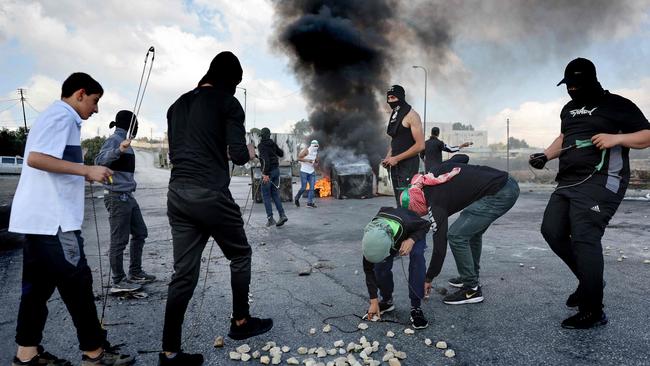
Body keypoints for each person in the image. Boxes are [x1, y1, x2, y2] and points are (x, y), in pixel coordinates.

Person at [9, 73, 134, 365]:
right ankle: (95, 353)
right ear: (79, 94)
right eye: (94, 101)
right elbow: (37, 158)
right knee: (78, 284)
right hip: (55, 222)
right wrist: (86, 170)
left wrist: (82, 172)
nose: (96, 109)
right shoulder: (62, 116)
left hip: (39, 221)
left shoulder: (58, 117)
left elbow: (50, 162)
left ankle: (26, 355)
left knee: (36, 291)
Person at [161, 52, 273, 365]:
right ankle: (240, 322)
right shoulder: (227, 103)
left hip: (177, 194)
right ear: (230, 80)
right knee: (240, 255)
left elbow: (183, 150)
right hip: (210, 194)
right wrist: (247, 150)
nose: (236, 90)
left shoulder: (176, 105)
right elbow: (238, 155)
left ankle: (169, 352)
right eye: (235, 83)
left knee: (183, 274)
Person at [529, 57, 650, 329]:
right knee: (552, 230)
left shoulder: (617, 105)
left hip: (603, 180)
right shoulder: (568, 109)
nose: (571, 89)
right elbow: (564, 139)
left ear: (591, 81)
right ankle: (589, 280)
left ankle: (593, 310)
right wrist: (546, 155)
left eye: (575, 84)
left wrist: (616, 138)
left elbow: (647, 135)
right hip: (568, 181)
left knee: (585, 237)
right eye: (568, 84)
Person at [402, 161, 519, 305]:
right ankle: (471, 277)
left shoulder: (435, 203)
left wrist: (428, 278)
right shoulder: (433, 173)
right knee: (470, 232)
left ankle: (472, 289)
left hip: (499, 193)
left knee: (456, 235)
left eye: (419, 212)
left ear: (419, 204)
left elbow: (440, 247)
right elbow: (462, 156)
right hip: (505, 182)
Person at [95, 110, 155, 295]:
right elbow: (99, 160)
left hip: (128, 196)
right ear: (130, 125)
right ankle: (118, 280)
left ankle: (135, 272)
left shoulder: (126, 142)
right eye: (135, 124)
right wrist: (119, 150)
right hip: (116, 196)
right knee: (119, 240)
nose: (137, 128)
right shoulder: (115, 140)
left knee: (140, 232)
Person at [361, 207, 430, 329]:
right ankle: (386, 301)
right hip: (389, 235)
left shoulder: (409, 222)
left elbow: (425, 225)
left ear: (391, 246)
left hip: (414, 231)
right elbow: (368, 269)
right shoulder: (371, 238)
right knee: (380, 267)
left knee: (417, 258)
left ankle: (416, 307)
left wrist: (411, 239)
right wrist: (373, 301)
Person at [382, 85, 425, 206]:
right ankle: (402, 223)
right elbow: (395, 140)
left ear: (401, 97)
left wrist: (396, 158)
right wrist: (388, 157)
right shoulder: (395, 114)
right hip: (395, 166)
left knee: (407, 202)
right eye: (389, 98)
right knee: (399, 202)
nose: (390, 101)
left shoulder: (412, 115)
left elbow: (420, 145)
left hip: (408, 166)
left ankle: (410, 224)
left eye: (393, 97)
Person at [258, 127, 288, 226]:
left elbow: (266, 160)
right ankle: (282, 215)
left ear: (261, 136)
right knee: (275, 194)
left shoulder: (261, 145)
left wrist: (265, 174)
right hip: (276, 171)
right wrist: (275, 148)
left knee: (266, 195)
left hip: (268, 173)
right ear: (269, 135)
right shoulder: (272, 144)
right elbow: (281, 153)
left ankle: (270, 219)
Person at [294, 140, 319, 208]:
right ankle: (296, 198)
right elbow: (298, 158)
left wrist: (316, 164)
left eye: (317, 146)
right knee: (303, 188)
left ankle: (309, 203)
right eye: (315, 146)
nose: (316, 147)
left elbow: (316, 162)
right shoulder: (306, 150)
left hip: (312, 172)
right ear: (311, 145)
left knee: (312, 188)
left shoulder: (316, 152)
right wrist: (308, 160)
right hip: (304, 171)